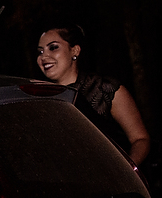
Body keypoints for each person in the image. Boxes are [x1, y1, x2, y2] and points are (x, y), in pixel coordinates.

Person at [36, 24, 151, 166]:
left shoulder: (105, 89)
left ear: (75, 50)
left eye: (53, 47)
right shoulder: (39, 98)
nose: (44, 56)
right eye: (40, 51)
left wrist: (125, 170)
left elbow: (140, 139)